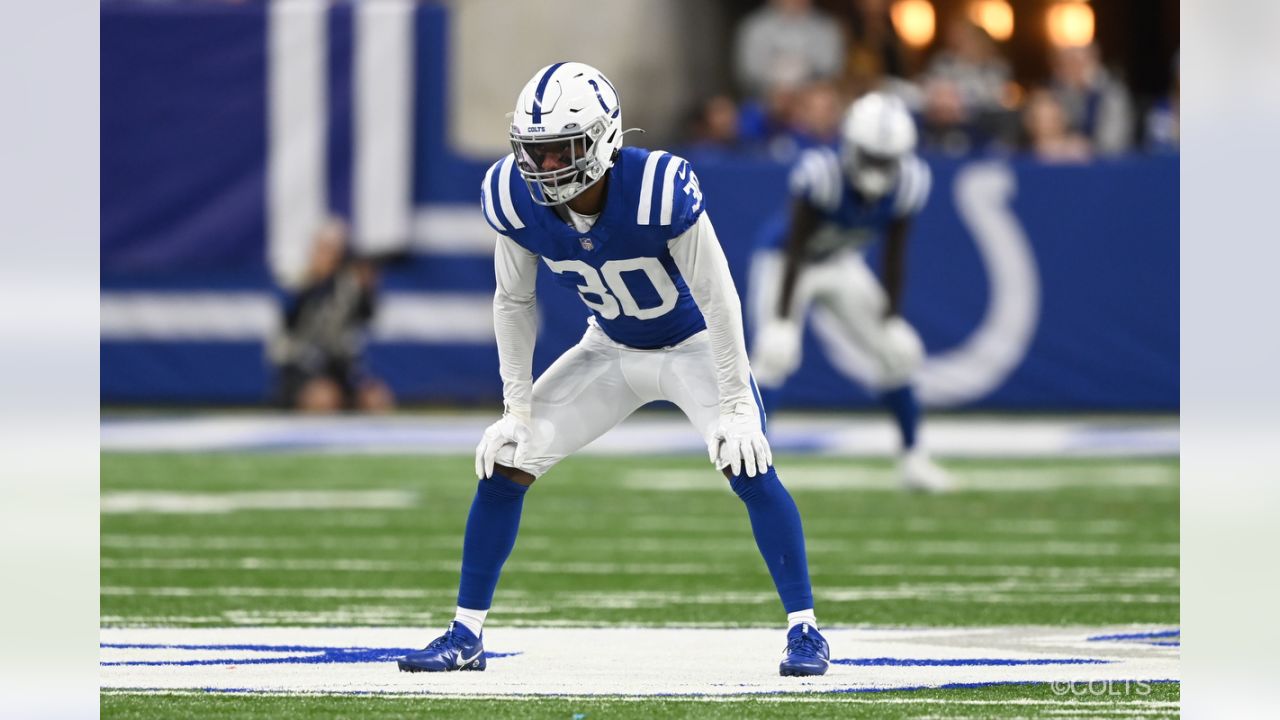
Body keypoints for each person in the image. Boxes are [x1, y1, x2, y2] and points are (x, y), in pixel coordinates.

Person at [397, 63, 829, 677]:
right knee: (506, 461)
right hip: (609, 350)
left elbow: (719, 297)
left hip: (692, 349)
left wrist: (735, 403)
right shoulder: (515, 196)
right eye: (535, 152)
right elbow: (513, 301)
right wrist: (514, 410)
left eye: (560, 151)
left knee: (748, 461)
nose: (545, 168)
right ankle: (465, 635)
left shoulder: (657, 185)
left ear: (603, 140)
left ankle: (806, 631)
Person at [748, 92, 952, 493]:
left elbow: (895, 255)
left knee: (899, 351)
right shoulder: (820, 175)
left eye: (885, 159)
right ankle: (748, 465)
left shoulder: (909, 182)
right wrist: (783, 318)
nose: (877, 168)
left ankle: (914, 460)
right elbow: (796, 247)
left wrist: (891, 316)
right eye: (871, 156)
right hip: (788, 263)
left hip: (841, 262)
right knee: (775, 352)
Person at [269, 216, 394, 413]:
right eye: (325, 249)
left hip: (337, 366)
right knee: (325, 396)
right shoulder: (297, 279)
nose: (330, 257)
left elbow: (366, 316)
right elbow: (290, 321)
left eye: (335, 251)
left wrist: (367, 289)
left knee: (376, 398)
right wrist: (315, 282)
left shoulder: (346, 286)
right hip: (299, 367)